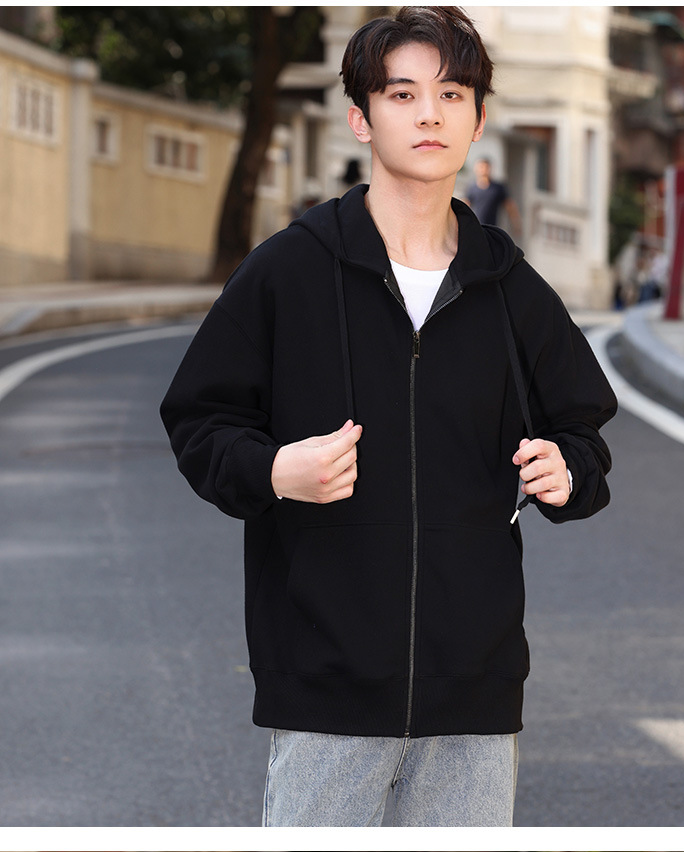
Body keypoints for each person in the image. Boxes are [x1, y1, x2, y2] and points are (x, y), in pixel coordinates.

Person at [160, 6, 617, 828]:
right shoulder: (290, 271)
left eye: (451, 94)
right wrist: (275, 470)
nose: (429, 114)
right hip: (324, 688)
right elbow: (200, 419)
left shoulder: (510, 290)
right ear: (361, 119)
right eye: (402, 94)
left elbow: (583, 432)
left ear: (478, 118)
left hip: (474, 694)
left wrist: (567, 469)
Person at [463, 156, 522, 234]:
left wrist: (516, 224)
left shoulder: (498, 188)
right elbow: (465, 205)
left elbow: (509, 206)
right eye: (481, 167)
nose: (483, 170)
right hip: (476, 227)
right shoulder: (472, 188)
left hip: (493, 228)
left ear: (490, 168)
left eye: (485, 167)